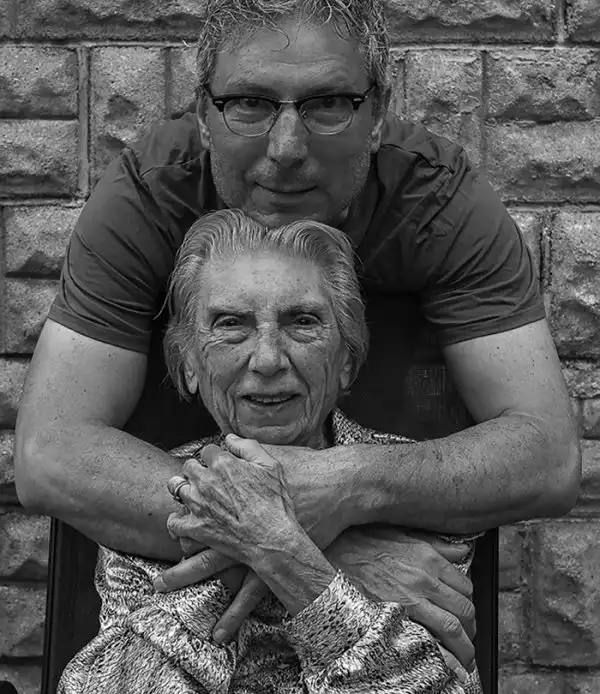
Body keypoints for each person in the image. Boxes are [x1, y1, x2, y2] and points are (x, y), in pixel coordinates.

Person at [15, 0, 580, 671]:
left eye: (328, 104)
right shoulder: (149, 193)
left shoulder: (439, 199)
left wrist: (349, 484)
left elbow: (547, 458)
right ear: (203, 113)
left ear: (377, 114)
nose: (285, 148)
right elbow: (51, 453)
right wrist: (301, 550)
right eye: (249, 103)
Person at [58, 209, 480, 694]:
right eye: (230, 324)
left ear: (347, 359)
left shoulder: (412, 492)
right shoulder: (156, 493)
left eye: (302, 322)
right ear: (189, 363)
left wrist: (287, 559)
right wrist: (261, 541)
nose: (267, 359)